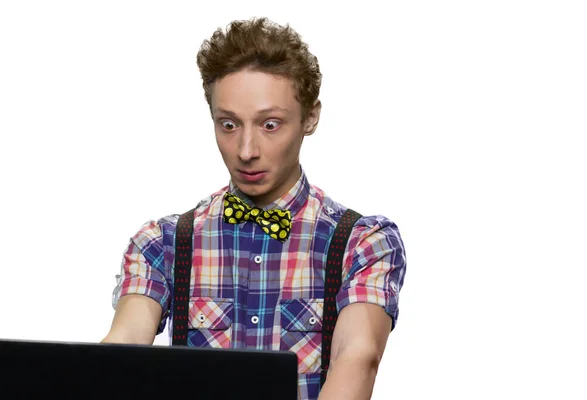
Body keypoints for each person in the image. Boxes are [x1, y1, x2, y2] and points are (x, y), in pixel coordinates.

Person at [102, 17, 406, 400]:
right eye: (228, 125)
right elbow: (122, 348)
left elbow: (358, 359)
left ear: (310, 117)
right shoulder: (161, 244)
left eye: (270, 124)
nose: (246, 151)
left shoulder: (361, 244)